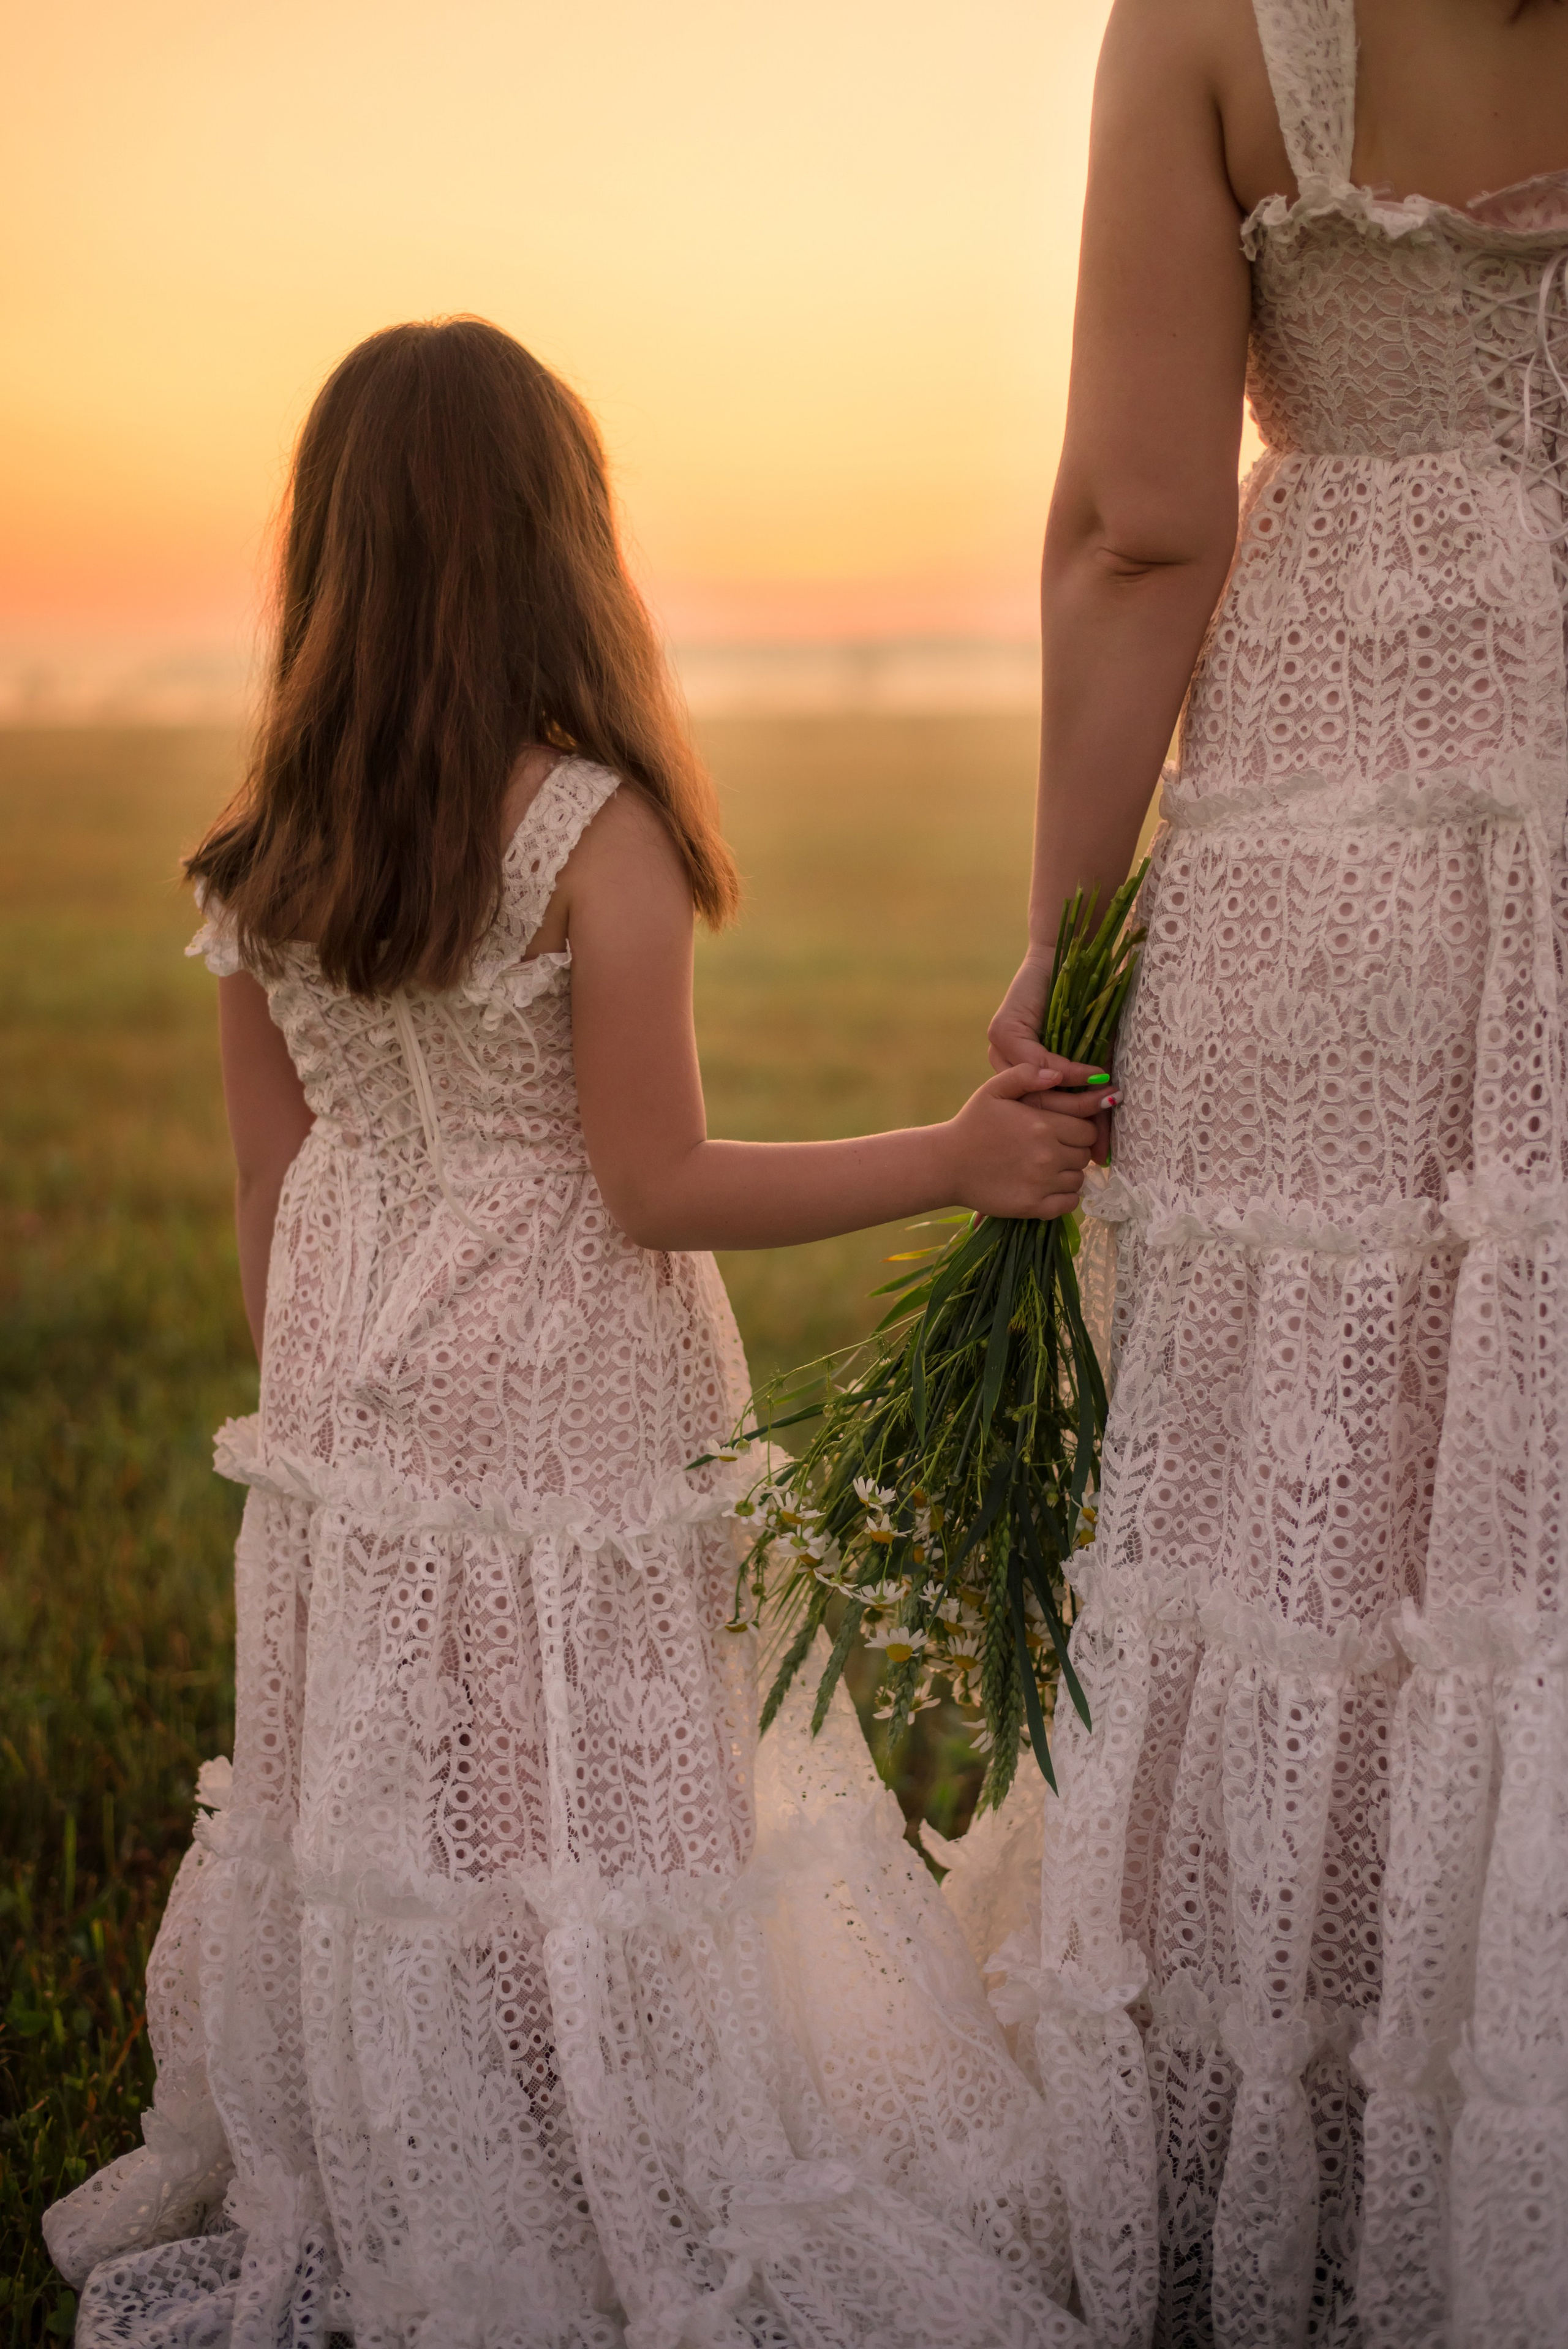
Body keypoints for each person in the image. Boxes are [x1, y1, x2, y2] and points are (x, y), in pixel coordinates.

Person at [42, 319, 1102, 2347]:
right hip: (565, 1378)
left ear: (329, 557)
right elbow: (658, 1182)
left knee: (426, 1779)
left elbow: (269, 1192)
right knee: (599, 1780)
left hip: (357, 1390)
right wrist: (954, 1154)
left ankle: (432, 2128)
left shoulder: (263, 858)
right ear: (562, 542)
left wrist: (335, 1413)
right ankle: (606, 2123)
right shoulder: (588, 831)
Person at [966, 0, 1568, 2342]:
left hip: (1337, 828)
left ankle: (1296, 2171)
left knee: (1311, 1466)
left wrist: (1063, 933)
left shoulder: (1212, 24)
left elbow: (1141, 522)